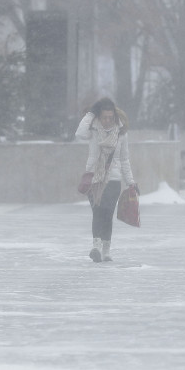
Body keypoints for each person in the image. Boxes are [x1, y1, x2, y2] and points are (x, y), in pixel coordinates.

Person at [75, 98, 137, 262]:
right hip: (94, 177)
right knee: (97, 210)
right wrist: (91, 113)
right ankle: (96, 247)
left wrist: (131, 182)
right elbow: (79, 133)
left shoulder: (122, 133)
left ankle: (106, 249)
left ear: (115, 117)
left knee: (107, 213)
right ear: (99, 117)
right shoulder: (93, 130)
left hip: (114, 178)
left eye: (111, 117)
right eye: (104, 117)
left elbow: (124, 159)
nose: (107, 121)